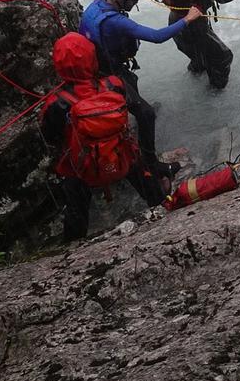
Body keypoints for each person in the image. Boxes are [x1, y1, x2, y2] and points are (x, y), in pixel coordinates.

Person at [39, 32, 170, 241]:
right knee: (140, 170)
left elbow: (51, 137)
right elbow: (137, 110)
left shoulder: (56, 103)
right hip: (121, 155)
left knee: (74, 199)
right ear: (93, 58)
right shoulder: (114, 84)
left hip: (82, 167)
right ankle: (164, 203)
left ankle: (73, 246)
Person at [79, 0, 203, 180]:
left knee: (132, 83)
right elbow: (156, 37)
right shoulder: (116, 22)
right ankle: (152, 164)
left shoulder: (97, 4)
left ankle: (132, 111)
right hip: (108, 73)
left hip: (100, 65)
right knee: (147, 114)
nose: (134, 4)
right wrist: (187, 19)